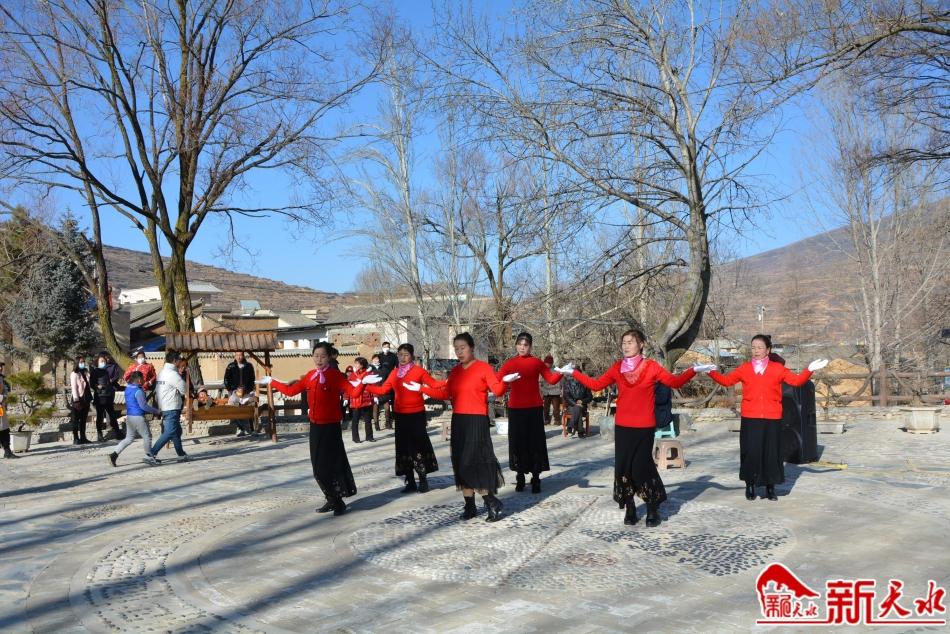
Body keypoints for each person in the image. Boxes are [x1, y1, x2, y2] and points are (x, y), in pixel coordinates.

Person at [556, 329, 711, 527]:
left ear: (641, 344)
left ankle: (652, 507)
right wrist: (573, 373)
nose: (626, 346)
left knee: (641, 467)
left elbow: (674, 381)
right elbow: (596, 385)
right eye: (624, 343)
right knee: (624, 468)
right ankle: (630, 506)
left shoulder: (652, 367)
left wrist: (693, 370)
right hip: (623, 427)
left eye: (630, 342)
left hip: (644, 427)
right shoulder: (617, 367)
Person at [407, 332, 517, 522]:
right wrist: (421, 389)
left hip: (476, 421)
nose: (459, 351)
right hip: (459, 420)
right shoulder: (456, 371)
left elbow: (497, 390)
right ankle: (470, 505)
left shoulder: (483, 368)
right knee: (460, 462)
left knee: (474, 462)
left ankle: (491, 502)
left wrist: (505, 382)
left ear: (471, 348)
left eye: (462, 347)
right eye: (456, 348)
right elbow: (445, 393)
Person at [261, 342, 380, 516]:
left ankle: (337, 501)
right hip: (316, 426)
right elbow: (290, 391)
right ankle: (331, 498)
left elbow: (353, 393)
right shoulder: (310, 375)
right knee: (317, 467)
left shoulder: (335, 375)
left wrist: (363, 383)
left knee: (330, 465)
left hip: (331, 427)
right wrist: (272, 382)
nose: (319, 359)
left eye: (323, 356)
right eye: (316, 356)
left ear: (329, 357)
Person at [707, 334, 828, 501]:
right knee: (751, 452)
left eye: (760, 347)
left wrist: (810, 369)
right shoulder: (744, 368)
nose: (756, 351)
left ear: (768, 350)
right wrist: (710, 372)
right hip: (750, 418)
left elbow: (797, 381)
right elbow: (727, 381)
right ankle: (750, 484)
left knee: (772, 453)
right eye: (753, 347)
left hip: (772, 418)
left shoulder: (777, 369)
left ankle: (770, 487)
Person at [365, 343, 440, 493]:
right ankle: (410, 481)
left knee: (417, 447)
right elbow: (383, 389)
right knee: (404, 449)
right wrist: (365, 385)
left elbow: (434, 384)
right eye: (400, 355)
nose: (403, 358)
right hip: (400, 415)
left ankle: (423, 479)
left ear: (412, 356)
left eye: (406, 355)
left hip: (416, 415)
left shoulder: (419, 371)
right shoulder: (395, 373)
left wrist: (451, 381)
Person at [496, 332, 562, 493]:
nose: (522, 347)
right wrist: (503, 381)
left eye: (525, 345)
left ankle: (536, 478)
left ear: (530, 347)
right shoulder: (509, 363)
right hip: (515, 409)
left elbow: (551, 379)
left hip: (534, 408)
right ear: (516, 345)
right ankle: (520, 476)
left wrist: (562, 372)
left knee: (534, 443)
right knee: (518, 443)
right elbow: (497, 382)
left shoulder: (536, 362)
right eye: (519, 344)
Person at [109, 371, 161, 467]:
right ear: (139, 380)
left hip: (130, 417)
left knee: (129, 438)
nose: (144, 380)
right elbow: (144, 406)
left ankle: (114, 454)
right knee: (147, 437)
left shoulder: (128, 389)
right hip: (138, 417)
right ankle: (149, 457)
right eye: (143, 379)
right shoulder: (138, 391)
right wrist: (156, 411)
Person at [149, 351, 190, 461]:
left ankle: (181, 454)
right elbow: (184, 389)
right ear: (175, 361)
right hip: (172, 406)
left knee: (176, 431)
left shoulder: (162, 372)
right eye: (179, 360)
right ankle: (151, 454)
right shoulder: (173, 374)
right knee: (170, 432)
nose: (180, 363)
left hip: (165, 406)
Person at [90, 352, 124, 441]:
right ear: (97, 362)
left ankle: (118, 432)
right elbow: (91, 383)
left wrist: (117, 389)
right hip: (100, 396)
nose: (103, 362)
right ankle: (99, 435)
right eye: (101, 361)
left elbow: (110, 383)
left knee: (112, 415)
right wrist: (97, 387)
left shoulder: (106, 372)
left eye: (104, 361)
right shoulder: (94, 371)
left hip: (108, 396)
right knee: (100, 416)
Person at [347, 358, 376, 443]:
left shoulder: (369, 374)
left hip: (366, 400)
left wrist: (376, 396)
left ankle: (369, 437)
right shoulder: (352, 375)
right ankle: (355, 438)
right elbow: (347, 388)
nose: (355, 365)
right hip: (356, 400)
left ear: (362, 365)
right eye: (355, 363)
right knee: (355, 420)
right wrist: (345, 398)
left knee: (368, 420)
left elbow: (374, 386)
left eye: (357, 363)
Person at [562, 363, 593, 437]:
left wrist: (582, 401)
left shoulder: (585, 383)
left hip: (582, 405)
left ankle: (570, 425)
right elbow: (567, 397)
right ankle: (580, 431)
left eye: (578, 374)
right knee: (577, 408)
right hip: (571, 405)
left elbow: (590, 397)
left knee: (578, 408)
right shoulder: (568, 383)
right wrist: (575, 404)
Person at [69, 355, 93, 444]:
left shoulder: (85, 372)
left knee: (83, 419)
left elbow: (88, 383)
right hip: (78, 398)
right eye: (81, 362)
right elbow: (74, 387)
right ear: (77, 363)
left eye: (83, 362)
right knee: (76, 419)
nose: (83, 363)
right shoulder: (74, 374)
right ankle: (76, 438)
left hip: (86, 397)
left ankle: (83, 437)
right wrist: (76, 400)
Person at [375, 346, 397, 430]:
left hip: (384, 391)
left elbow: (389, 379)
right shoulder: (371, 369)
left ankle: (388, 424)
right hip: (375, 392)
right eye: (375, 359)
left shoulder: (385, 369)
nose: (376, 361)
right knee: (375, 409)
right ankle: (377, 425)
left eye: (377, 359)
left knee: (387, 408)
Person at [540, 355, 563, 425]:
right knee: (546, 408)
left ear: (551, 363)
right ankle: (546, 420)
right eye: (545, 363)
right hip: (546, 392)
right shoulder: (542, 371)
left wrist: (561, 389)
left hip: (555, 392)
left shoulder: (556, 370)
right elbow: (540, 382)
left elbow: (561, 381)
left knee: (556, 408)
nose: (546, 364)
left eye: (548, 363)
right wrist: (542, 390)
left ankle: (557, 420)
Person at [0, 367, 13, 459]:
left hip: (1, 406)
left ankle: (7, 451)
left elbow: (7, 389)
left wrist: (4, 397)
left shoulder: (2, 377)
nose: (0, 368)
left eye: (1, 366)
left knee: (4, 429)